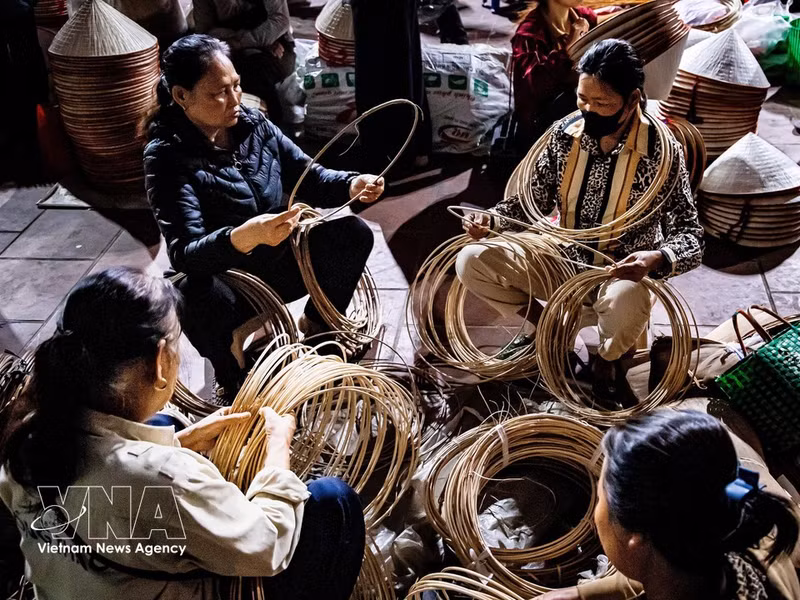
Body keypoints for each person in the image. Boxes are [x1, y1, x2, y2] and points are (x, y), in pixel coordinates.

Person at [0, 267, 366, 600]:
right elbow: (267, 545)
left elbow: (104, 483)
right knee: (333, 502)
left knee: (163, 427)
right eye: (177, 343)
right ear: (161, 360)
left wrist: (183, 441)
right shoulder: (161, 478)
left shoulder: (29, 431)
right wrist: (277, 447)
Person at [456, 39, 703, 398]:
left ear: (632, 100)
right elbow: (530, 203)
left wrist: (655, 258)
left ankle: (609, 357)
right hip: (561, 257)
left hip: (618, 270)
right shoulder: (565, 135)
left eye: (601, 103)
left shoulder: (660, 153)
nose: (588, 110)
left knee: (628, 302)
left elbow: (690, 235)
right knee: (472, 261)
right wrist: (489, 222)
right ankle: (546, 332)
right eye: (582, 99)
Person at [143, 34, 384, 398]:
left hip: (278, 258)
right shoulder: (165, 158)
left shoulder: (253, 125)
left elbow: (312, 178)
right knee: (190, 291)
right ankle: (233, 375)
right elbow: (185, 251)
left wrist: (352, 185)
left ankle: (319, 329)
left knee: (353, 234)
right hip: (229, 281)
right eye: (218, 92)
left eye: (236, 85)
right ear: (181, 96)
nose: (234, 99)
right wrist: (245, 236)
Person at [538, 410, 800, 600]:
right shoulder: (734, 526)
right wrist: (581, 594)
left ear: (636, 537)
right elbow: (746, 479)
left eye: (600, 499)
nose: (595, 514)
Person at [192, 0, 296, 123]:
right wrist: (248, 42)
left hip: (276, 45)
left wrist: (250, 41)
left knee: (258, 72)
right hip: (229, 46)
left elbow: (280, 20)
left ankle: (272, 128)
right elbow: (205, 33)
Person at [511, 0, 597, 147]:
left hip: (581, 115)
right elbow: (533, 92)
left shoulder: (586, 18)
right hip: (544, 132)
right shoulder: (529, 35)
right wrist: (566, 52)